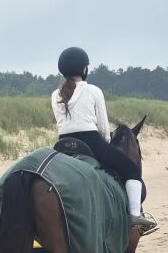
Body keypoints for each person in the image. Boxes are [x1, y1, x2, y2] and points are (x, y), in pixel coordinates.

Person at [51, 47, 157, 232]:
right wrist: (107, 145)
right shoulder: (93, 91)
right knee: (131, 169)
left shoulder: (56, 94)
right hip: (91, 142)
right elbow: (103, 128)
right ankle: (135, 215)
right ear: (84, 69)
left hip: (62, 145)